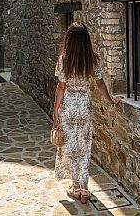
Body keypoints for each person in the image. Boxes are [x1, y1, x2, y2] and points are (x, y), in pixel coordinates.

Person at [53, 21, 122, 204]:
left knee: (72, 147)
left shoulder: (64, 59)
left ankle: (77, 187)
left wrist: (56, 109)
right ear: (86, 40)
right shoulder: (93, 59)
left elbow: (61, 86)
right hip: (84, 107)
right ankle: (83, 187)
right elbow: (99, 84)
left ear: (69, 40)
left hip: (68, 106)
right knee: (84, 147)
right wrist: (111, 100)